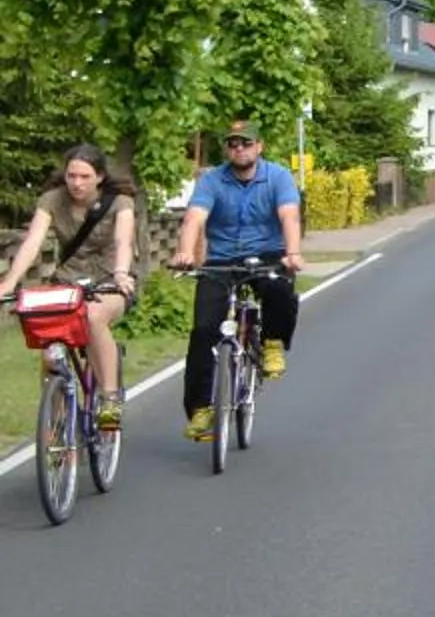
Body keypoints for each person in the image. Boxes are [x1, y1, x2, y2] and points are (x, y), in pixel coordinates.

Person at [169, 118, 305, 444]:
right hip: (223, 260)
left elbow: (289, 215)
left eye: (246, 143)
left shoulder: (278, 177)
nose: (239, 149)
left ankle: (272, 343)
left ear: (259, 147)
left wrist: (293, 252)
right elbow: (194, 218)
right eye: (233, 144)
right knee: (203, 330)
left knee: (280, 289)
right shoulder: (213, 180)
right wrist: (186, 253)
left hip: (268, 253)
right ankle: (201, 409)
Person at [1, 144, 139, 432]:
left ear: (99, 177)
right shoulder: (52, 199)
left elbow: (123, 241)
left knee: (92, 316)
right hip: (68, 280)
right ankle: (58, 421)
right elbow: (33, 242)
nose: (77, 183)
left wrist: (121, 273)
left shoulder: (119, 202)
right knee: (47, 332)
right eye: (72, 175)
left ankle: (110, 397)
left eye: (85, 176)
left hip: (110, 280)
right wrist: (10, 282)